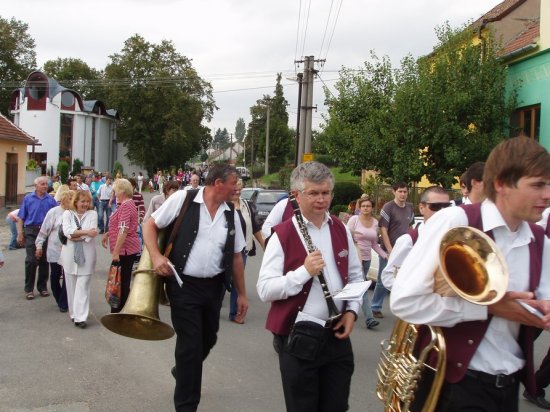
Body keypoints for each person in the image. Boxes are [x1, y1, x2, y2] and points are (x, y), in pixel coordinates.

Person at [391, 136, 550, 412]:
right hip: (456, 386)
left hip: (508, 387)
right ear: (501, 184)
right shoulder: (456, 221)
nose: (547, 194)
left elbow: (541, 301)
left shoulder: (540, 240)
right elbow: (404, 301)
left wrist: (542, 310)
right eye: (537, 185)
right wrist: (487, 308)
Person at [257, 161, 364, 412]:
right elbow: (265, 289)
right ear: (297, 195)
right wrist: (304, 272)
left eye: (325, 193)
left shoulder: (340, 228)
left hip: (336, 333)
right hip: (299, 336)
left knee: (337, 406)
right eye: (313, 193)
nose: (321, 199)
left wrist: (352, 311)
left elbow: (356, 276)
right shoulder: (281, 234)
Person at [143, 163, 247, 412]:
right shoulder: (184, 198)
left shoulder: (232, 214)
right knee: (190, 345)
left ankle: (183, 369)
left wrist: (242, 293)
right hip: (183, 285)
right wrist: (157, 257)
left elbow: (235, 256)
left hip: (214, 288)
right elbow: (150, 225)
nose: (237, 188)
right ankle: (186, 405)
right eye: (234, 183)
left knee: (208, 339)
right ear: (218, 183)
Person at [381, 186, 451, 290]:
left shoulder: (451, 238)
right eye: (435, 207)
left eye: (446, 207)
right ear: (422, 208)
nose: (441, 211)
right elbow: (389, 278)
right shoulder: (407, 241)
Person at [371, 181, 414, 318]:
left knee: (403, 280)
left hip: (404, 251)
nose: (402, 194)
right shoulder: (388, 207)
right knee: (383, 279)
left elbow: (410, 228)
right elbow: (383, 229)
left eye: (405, 191)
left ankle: (402, 308)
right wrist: (390, 250)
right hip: (388, 250)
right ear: (394, 192)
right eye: (400, 191)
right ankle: (375, 306)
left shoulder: (410, 207)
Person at [59, 190, 98, 328]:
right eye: (83, 201)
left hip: (87, 255)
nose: (85, 204)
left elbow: (91, 235)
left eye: (87, 201)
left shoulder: (92, 214)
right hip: (69, 255)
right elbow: (67, 232)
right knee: (71, 286)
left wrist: (77, 234)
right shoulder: (67, 214)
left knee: (83, 285)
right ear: (76, 202)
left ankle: (81, 317)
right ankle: (74, 314)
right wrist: (85, 232)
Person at [347, 197, 388, 329]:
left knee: (355, 287)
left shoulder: (375, 222)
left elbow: (374, 244)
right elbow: (345, 237)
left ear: (372, 208)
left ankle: (347, 311)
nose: (365, 208)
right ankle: (369, 318)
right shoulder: (354, 220)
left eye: (368, 206)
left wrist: (385, 255)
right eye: (363, 206)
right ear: (359, 207)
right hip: (354, 259)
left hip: (367, 259)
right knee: (362, 287)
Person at [102, 179, 141, 313]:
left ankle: (119, 310)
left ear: (122, 191)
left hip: (125, 250)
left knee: (121, 281)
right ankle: (122, 308)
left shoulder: (125, 206)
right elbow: (122, 225)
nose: (114, 193)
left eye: (116, 191)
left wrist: (116, 252)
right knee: (123, 279)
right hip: (127, 248)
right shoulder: (128, 204)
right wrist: (109, 233)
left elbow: (124, 230)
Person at [229, 179, 265, 324]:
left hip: (242, 250)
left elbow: (255, 227)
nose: (237, 192)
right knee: (220, 282)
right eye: (235, 190)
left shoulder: (246, 205)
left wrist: (263, 244)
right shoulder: (222, 205)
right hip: (225, 251)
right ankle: (210, 309)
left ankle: (235, 313)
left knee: (237, 282)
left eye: (240, 190)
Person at [17, 176, 58, 300]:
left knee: (45, 260)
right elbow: (21, 218)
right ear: (36, 186)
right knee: (31, 260)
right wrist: (20, 233)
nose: (45, 186)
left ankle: (42, 287)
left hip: (46, 232)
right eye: (42, 184)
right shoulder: (28, 198)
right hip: (31, 231)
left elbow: (57, 216)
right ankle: (29, 289)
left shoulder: (51, 200)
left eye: (46, 184)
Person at [35, 188, 73, 312]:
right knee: (55, 275)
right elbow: (44, 230)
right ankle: (59, 298)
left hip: (68, 250)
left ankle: (63, 302)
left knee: (68, 275)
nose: (73, 202)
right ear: (63, 200)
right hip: (54, 249)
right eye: (70, 199)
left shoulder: (74, 213)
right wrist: (39, 246)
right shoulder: (54, 212)